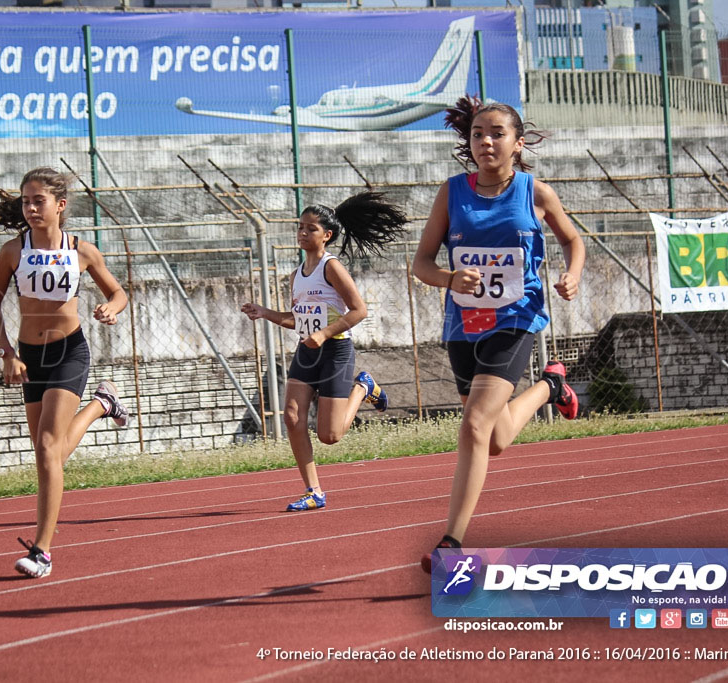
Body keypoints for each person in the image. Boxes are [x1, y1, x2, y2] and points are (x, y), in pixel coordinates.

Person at [412, 97, 586, 572]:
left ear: (517, 142)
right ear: (467, 144)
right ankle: (551, 386)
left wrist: (572, 274)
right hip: (463, 322)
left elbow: (573, 240)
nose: (485, 142)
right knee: (493, 439)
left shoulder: (535, 193)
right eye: (477, 135)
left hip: (516, 318)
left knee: (472, 424)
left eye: (496, 133)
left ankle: (452, 541)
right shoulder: (452, 193)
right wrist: (449, 279)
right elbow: (421, 263)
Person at [0, 167, 130, 578]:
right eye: (25, 201)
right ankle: (102, 404)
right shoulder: (12, 251)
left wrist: (110, 309)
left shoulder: (82, 251)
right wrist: (7, 351)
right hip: (29, 356)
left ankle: (42, 551)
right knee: (50, 454)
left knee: (47, 451)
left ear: (60, 205)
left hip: (68, 352)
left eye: (38, 201)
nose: (29, 208)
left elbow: (118, 292)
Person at [241, 192, 408, 512]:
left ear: (326, 235)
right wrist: (264, 312)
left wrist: (325, 333)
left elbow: (359, 310)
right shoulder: (296, 276)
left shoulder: (332, 267)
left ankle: (363, 387)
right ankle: (313, 491)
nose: (302, 233)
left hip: (335, 351)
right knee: (292, 418)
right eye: (300, 227)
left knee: (330, 436)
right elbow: (296, 320)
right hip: (307, 351)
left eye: (310, 228)